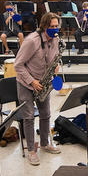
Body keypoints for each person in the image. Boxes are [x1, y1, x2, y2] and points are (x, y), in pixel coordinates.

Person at [14, 12, 62, 165]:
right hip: (26, 82)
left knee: (46, 114)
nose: (55, 29)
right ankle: (31, 151)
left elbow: (53, 58)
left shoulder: (55, 39)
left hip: (43, 81)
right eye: (52, 26)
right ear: (44, 26)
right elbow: (18, 65)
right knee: (28, 116)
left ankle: (44, 143)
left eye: (57, 26)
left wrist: (56, 66)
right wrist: (31, 81)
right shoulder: (31, 41)